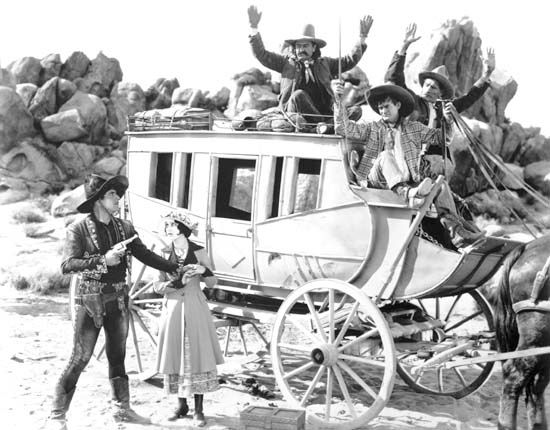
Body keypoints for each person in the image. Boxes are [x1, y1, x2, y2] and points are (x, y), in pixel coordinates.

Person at [46, 174, 180, 429]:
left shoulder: (125, 228)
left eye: (118, 194)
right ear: (98, 200)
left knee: (117, 356)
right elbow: (67, 265)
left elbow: (145, 254)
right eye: (112, 195)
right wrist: (102, 261)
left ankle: (122, 410)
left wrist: (174, 267)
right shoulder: (78, 229)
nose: (118, 198)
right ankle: (57, 415)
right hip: (90, 300)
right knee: (80, 357)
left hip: (118, 299)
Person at [332, 80, 484, 248]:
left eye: (386, 106)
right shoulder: (373, 127)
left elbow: (443, 139)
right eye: (380, 107)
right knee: (385, 156)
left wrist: (447, 121)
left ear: (398, 105)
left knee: (441, 186)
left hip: (408, 179)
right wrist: (338, 100)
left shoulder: (414, 128)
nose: (382, 110)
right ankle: (409, 194)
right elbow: (342, 129)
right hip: (378, 180)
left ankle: (456, 233)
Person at [384, 23, 496, 177]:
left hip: (434, 162)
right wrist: (403, 47)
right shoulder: (412, 101)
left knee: (440, 172)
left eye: (434, 88)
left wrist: (486, 75)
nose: (429, 89)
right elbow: (395, 78)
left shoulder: (444, 108)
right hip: (406, 156)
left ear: (441, 94)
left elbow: (470, 97)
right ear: (422, 87)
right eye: (427, 85)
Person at [247, 4, 372, 126]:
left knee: (356, 110)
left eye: (305, 45)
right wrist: (254, 28)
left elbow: (348, 60)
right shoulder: (285, 63)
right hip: (295, 112)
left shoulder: (325, 63)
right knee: (298, 95)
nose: (301, 49)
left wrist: (362, 38)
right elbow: (261, 54)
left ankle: (326, 125)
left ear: (314, 47)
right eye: (298, 46)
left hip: (324, 113)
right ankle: (325, 125)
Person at [154, 211, 223, 427]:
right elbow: (157, 286)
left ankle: (199, 410)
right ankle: (181, 406)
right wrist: (176, 284)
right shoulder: (164, 253)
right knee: (176, 355)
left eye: (171, 226)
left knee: (198, 356)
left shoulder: (199, 251)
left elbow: (212, 283)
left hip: (195, 308)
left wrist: (204, 270)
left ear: (182, 229)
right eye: (166, 226)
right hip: (173, 309)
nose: (167, 229)